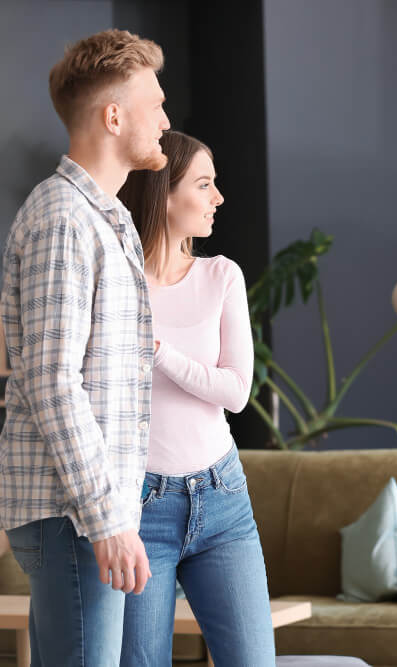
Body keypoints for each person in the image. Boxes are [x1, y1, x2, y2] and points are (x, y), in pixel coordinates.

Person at [0, 29, 168, 666]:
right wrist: (107, 520)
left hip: (83, 513)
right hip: (71, 515)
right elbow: (51, 382)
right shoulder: (63, 219)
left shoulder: (105, 217)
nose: (166, 119)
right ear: (114, 115)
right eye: (155, 103)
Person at [117, 130, 274, 665]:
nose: (218, 197)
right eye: (203, 184)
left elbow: (235, 391)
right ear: (164, 193)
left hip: (222, 497)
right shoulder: (119, 285)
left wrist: (158, 352)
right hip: (139, 510)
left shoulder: (220, 275)